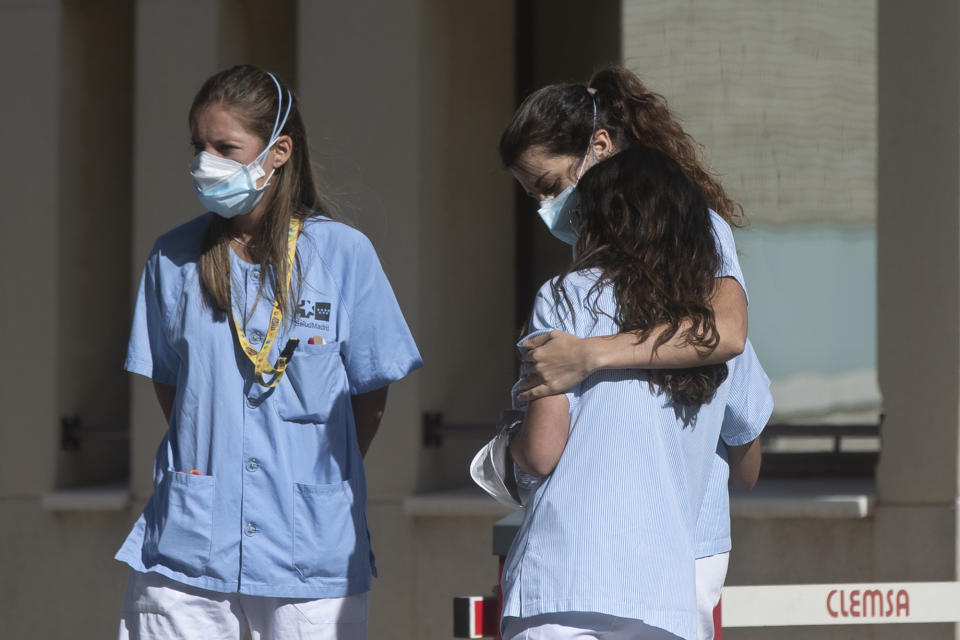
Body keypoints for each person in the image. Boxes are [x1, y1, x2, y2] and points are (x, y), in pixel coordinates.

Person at [115, 65, 422, 640]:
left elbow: (369, 393)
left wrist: (312, 474)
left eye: (225, 147)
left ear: (278, 152)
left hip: (308, 549)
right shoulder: (173, 259)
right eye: (199, 147)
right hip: (188, 550)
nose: (207, 162)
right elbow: (173, 388)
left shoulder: (343, 256)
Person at [499, 65, 770, 640]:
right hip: (637, 555)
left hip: (677, 537)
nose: (546, 206)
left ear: (599, 147)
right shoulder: (584, 276)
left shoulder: (696, 227)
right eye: (533, 195)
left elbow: (726, 334)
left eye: (550, 185)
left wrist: (592, 354)